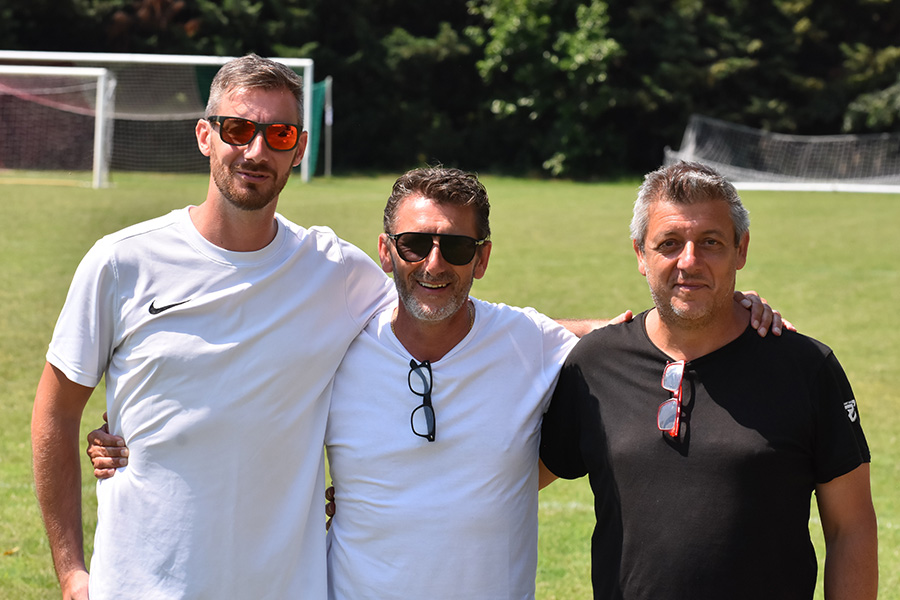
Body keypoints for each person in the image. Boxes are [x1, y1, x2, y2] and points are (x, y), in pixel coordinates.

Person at [85, 167, 785, 599]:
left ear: (483, 258)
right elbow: (233, 399)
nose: (433, 264)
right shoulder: (338, 340)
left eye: (455, 247)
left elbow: (636, 334)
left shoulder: (528, 341)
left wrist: (736, 308)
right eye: (416, 244)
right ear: (386, 251)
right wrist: (132, 441)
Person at [31, 54, 395, 600]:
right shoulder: (121, 261)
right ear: (205, 136)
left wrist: (365, 486)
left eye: (279, 134)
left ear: (299, 149)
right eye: (239, 129)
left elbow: (435, 335)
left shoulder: (336, 272)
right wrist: (70, 572)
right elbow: (55, 413)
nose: (256, 151)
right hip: (140, 585)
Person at [539, 161, 878, 599]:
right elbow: (507, 481)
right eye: (669, 243)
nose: (689, 261)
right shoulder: (595, 365)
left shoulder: (806, 367)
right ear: (640, 254)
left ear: (741, 249)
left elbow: (851, 527)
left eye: (711, 242)